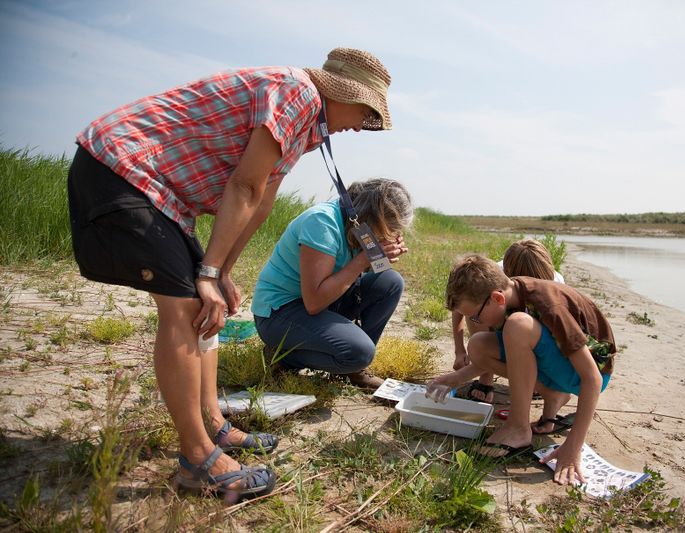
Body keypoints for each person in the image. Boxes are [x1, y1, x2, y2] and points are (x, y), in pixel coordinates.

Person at [67, 47, 393, 500]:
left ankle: (214, 425)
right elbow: (243, 185)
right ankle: (197, 460)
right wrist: (209, 269)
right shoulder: (298, 93)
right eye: (364, 112)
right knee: (184, 308)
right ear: (340, 92)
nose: (362, 125)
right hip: (124, 169)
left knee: (207, 303)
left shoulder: (310, 126)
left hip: (162, 196)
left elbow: (261, 198)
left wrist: (220, 273)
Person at [428, 254, 615, 485]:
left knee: (518, 325)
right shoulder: (510, 292)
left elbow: (593, 378)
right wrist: (456, 378)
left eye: (475, 316)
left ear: (497, 298)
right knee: (479, 345)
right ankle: (551, 393)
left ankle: (518, 427)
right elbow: (492, 356)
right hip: (558, 365)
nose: (474, 322)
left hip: (587, 373)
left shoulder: (548, 304)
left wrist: (573, 446)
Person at [252, 178, 412, 390]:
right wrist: (363, 260)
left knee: (391, 282)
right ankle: (283, 356)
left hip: (319, 304)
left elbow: (372, 271)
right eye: (389, 228)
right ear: (374, 216)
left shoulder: (359, 222)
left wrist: (382, 255)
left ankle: (354, 369)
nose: (389, 234)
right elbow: (314, 302)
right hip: (280, 312)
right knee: (359, 352)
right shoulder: (322, 223)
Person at [452, 240, 565, 403]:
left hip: (528, 333)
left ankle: (535, 380)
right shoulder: (490, 276)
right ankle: (485, 378)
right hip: (498, 327)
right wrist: (459, 351)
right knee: (478, 310)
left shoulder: (555, 284)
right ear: (508, 276)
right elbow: (459, 308)